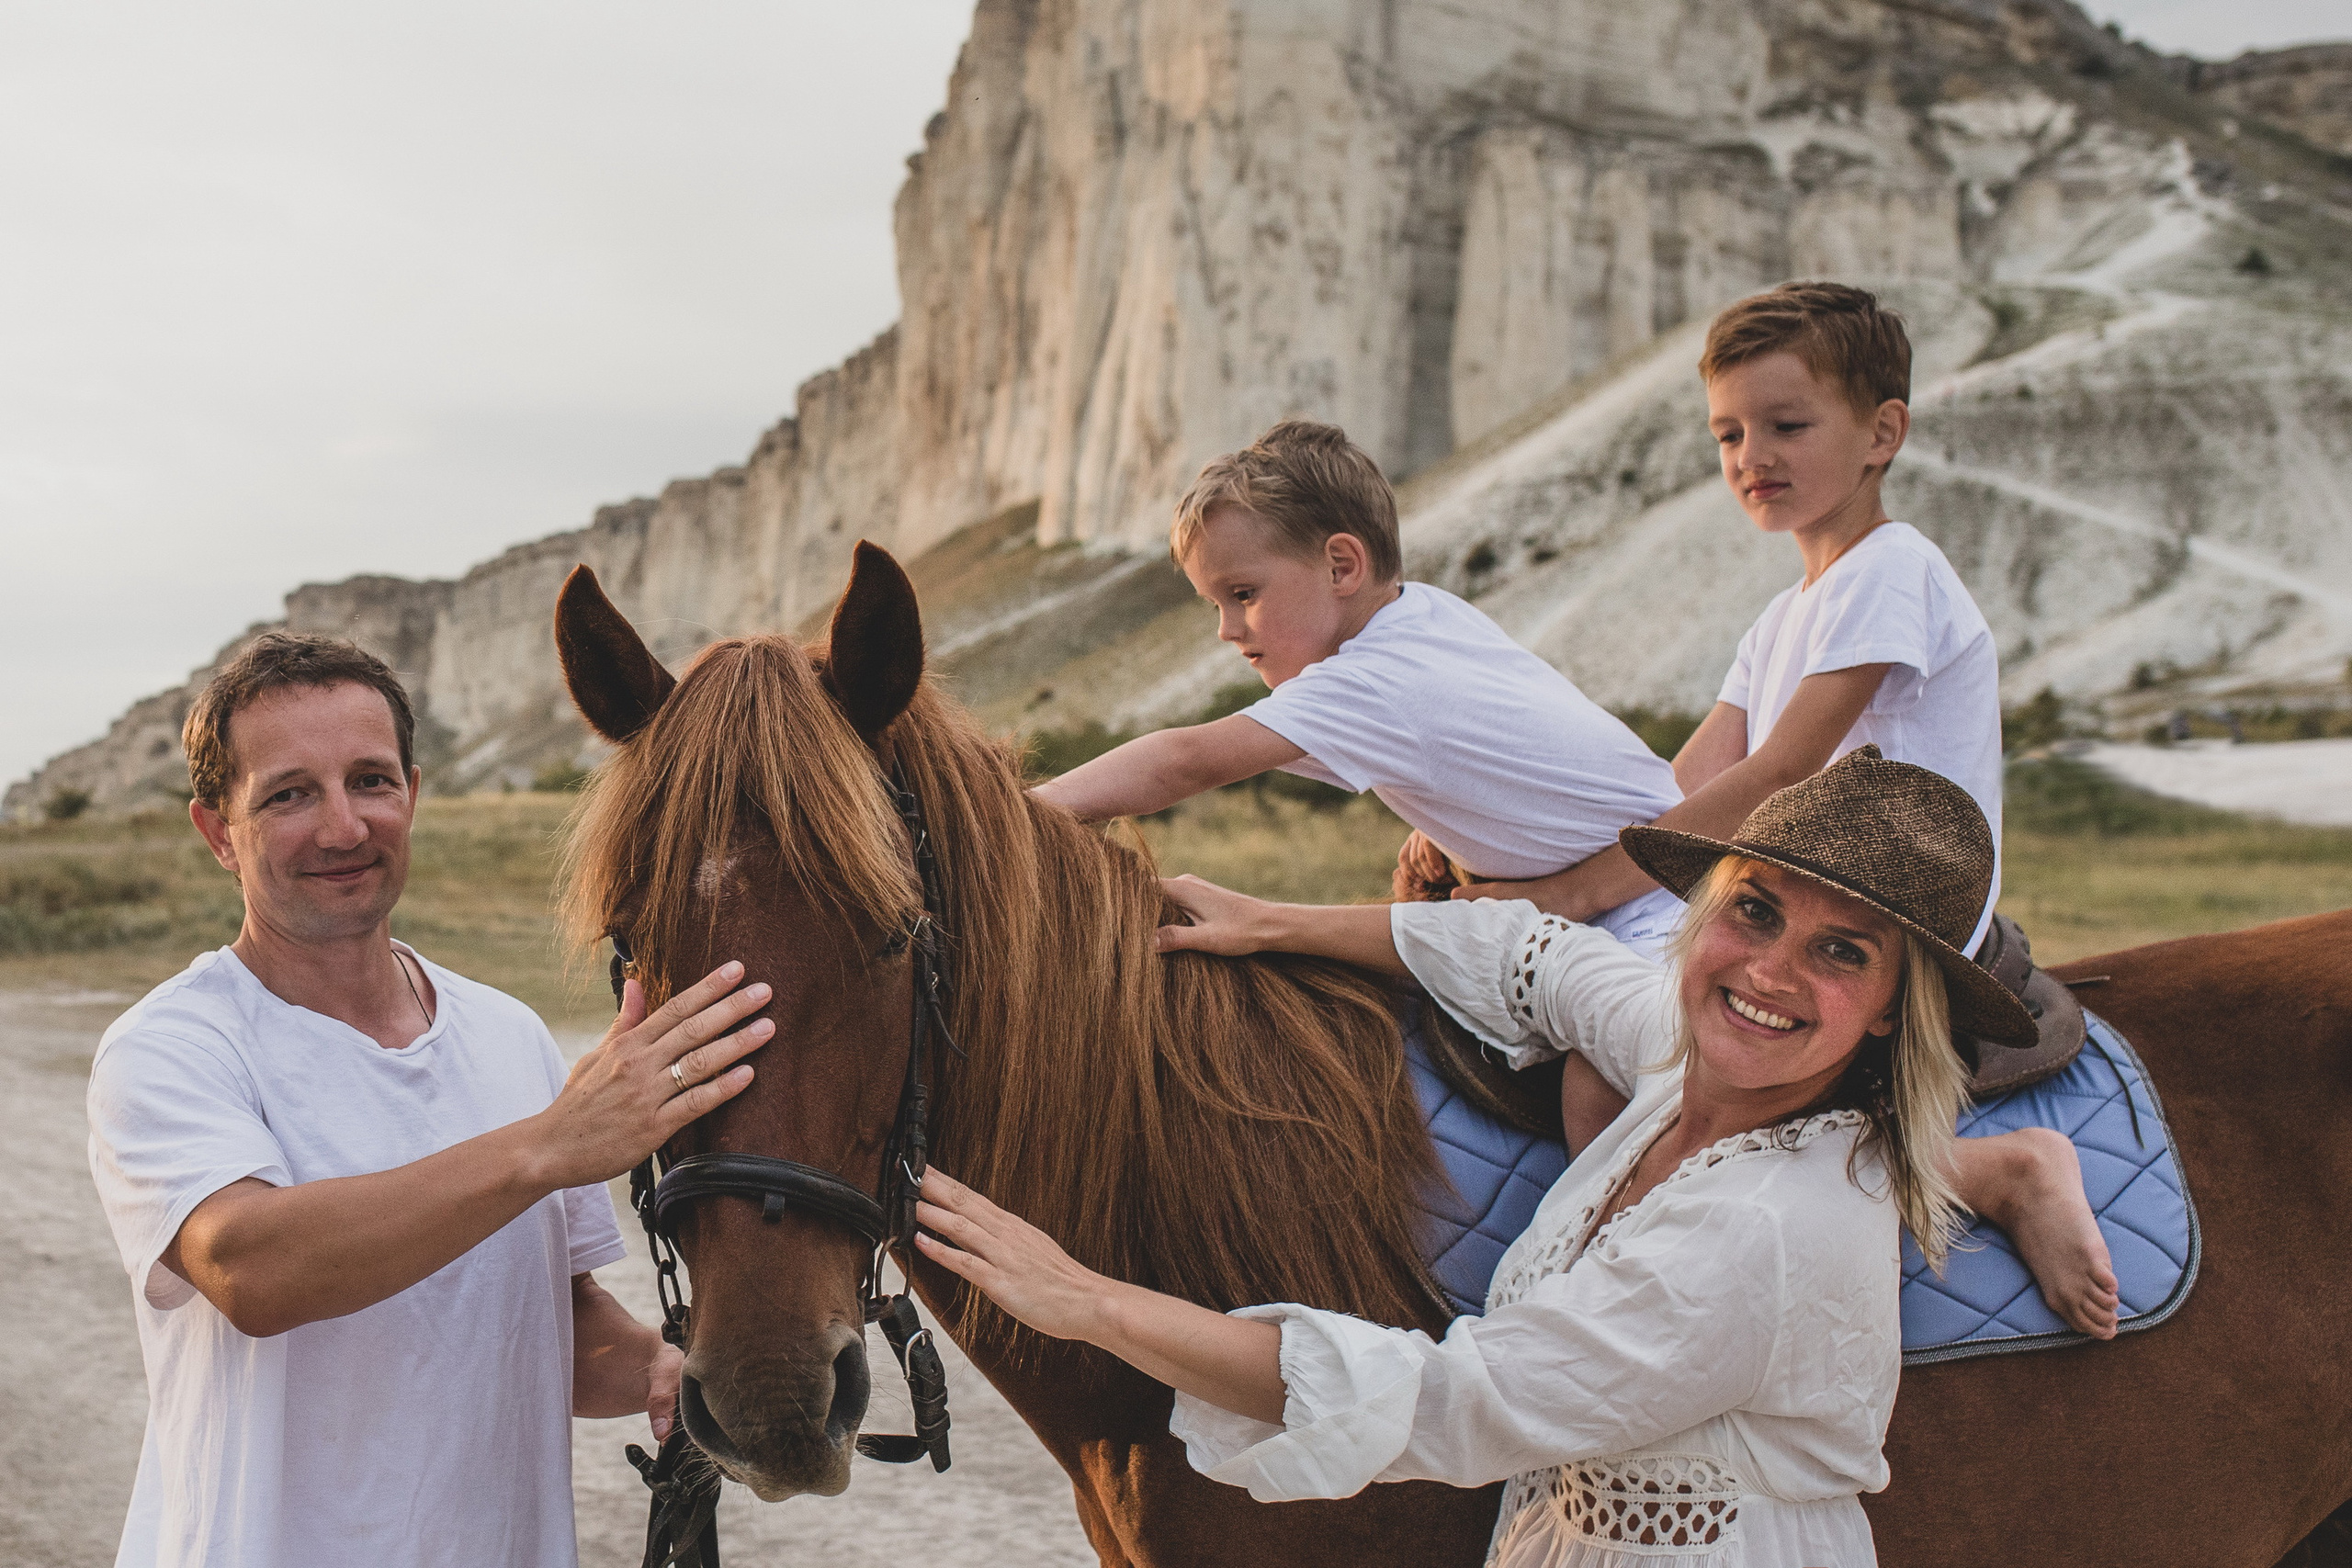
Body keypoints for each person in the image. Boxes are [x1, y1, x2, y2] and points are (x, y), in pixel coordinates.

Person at [914, 747, 2021, 1566]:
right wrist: (1272, 923)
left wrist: (1092, 1304)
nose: (1770, 972)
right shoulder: (1683, 1064)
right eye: (1755, 912)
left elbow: (1453, 1400)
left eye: (1841, 952)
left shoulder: (1766, 1224)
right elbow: (1529, 952)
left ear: (1890, 1011)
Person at [1442, 281, 2117, 1336]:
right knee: (1582, 1039)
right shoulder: (1781, 615)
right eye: (1729, 434)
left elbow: (1775, 775)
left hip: (1893, 913)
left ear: (1881, 432)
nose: (1751, 454)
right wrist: (1507, 858)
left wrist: (1575, 888)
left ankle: (1991, 1171)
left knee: (1653, 1061)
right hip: (1798, 889)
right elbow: (1679, 785)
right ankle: (1652, 1265)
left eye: (1786, 426)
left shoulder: (1895, 570)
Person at [85, 633, 769, 1568]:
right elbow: (252, 1271)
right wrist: (546, 1145)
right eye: (289, 794)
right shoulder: (173, 1046)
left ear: (411, 793)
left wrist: (656, 1367)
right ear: (217, 833)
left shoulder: (507, 1036)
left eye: (369, 781)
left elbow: (546, 1327)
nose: (341, 827)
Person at [1027, 419, 1689, 957]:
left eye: (1244, 594)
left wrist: (1022, 810)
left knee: (1591, 1089)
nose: (1227, 629)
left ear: (1342, 565)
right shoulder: (1426, 615)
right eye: (1214, 604)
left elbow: (1185, 760)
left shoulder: (1374, 681)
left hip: (1649, 912)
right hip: (1656, 876)